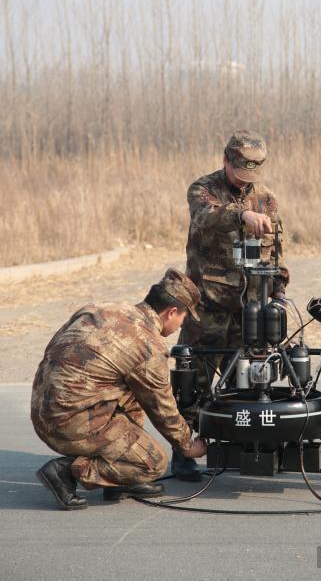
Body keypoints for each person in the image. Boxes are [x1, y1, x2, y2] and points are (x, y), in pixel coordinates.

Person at [32, 268, 207, 510]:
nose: (180, 326)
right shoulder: (148, 347)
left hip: (42, 406)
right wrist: (187, 445)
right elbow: (163, 409)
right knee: (152, 463)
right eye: (184, 318)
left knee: (133, 391)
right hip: (65, 423)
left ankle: (119, 481)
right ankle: (67, 472)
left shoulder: (103, 308)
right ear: (172, 312)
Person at [174, 130, 289, 481]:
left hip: (249, 307)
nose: (246, 180)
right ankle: (184, 450)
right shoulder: (203, 189)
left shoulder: (267, 199)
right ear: (226, 160)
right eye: (240, 170)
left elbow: (276, 249)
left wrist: (279, 291)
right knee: (194, 377)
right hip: (207, 302)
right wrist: (242, 217)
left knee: (247, 377)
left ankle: (237, 444)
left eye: (253, 173)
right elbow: (205, 215)